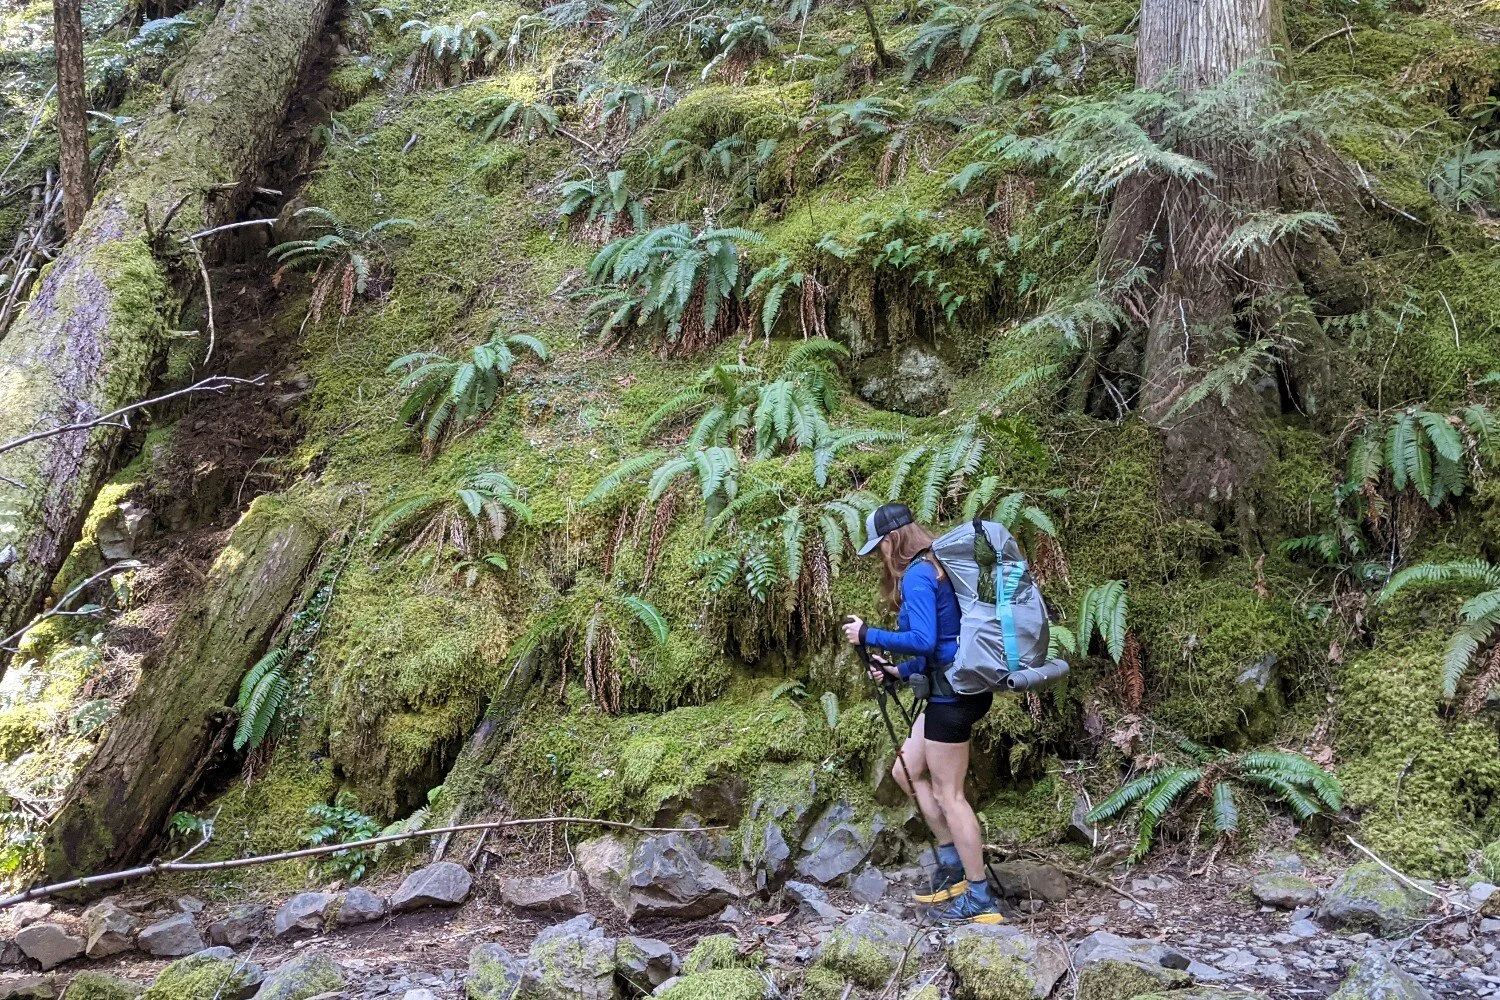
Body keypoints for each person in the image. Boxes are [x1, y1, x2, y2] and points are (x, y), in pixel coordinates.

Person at [842, 502, 1001, 923]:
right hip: (953, 686)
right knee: (906, 770)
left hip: (952, 698)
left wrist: (866, 635)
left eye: (880, 545)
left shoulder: (918, 574)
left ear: (893, 540)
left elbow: (925, 639)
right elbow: (943, 644)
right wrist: (897, 671)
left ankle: (980, 896)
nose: (879, 555)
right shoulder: (937, 566)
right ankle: (953, 868)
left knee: (951, 795)